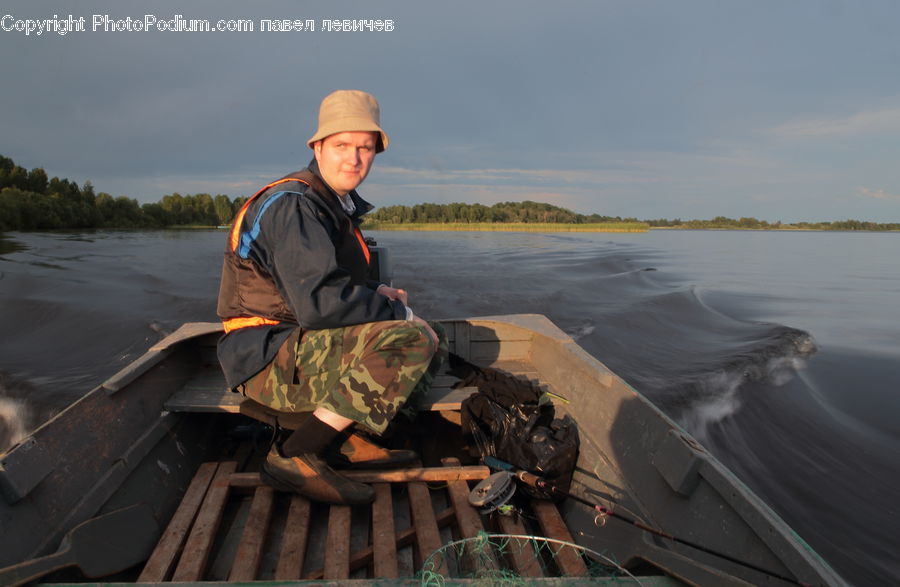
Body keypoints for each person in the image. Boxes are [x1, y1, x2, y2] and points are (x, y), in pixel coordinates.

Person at [216, 90, 443, 505]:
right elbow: (318, 303)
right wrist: (398, 312)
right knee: (412, 338)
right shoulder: (295, 205)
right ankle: (294, 455)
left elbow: (317, 283)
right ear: (317, 147)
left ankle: (346, 439)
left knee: (430, 333)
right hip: (266, 359)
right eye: (341, 146)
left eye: (365, 148)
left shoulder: (328, 204)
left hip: (290, 346)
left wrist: (376, 291)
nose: (354, 159)